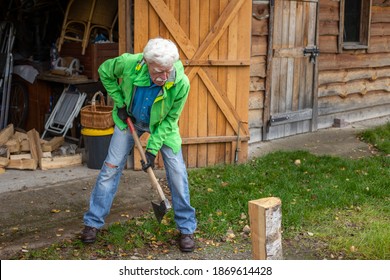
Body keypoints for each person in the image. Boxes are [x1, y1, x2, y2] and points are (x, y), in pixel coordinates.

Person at [81, 38, 197, 252]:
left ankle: (186, 228)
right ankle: (92, 222)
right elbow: (104, 71)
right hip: (129, 118)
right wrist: (120, 102)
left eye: (167, 71)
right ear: (146, 63)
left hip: (162, 125)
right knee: (110, 168)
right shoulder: (128, 63)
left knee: (178, 172)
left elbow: (170, 120)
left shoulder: (181, 82)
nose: (163, 77)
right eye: (157, 72)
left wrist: (152, 150)